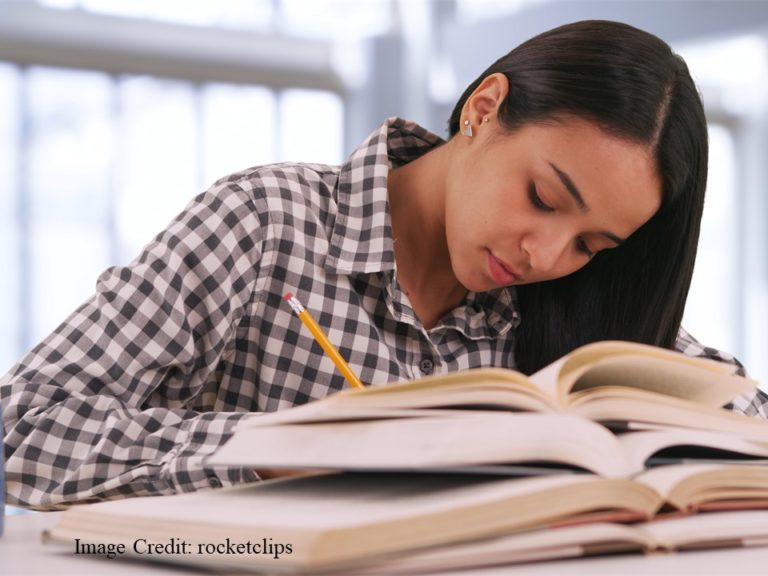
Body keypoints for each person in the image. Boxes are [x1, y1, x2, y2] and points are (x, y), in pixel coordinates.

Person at [2, 20, 766, 511]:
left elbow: (742, 414)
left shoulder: (571, 312)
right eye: (541, 196)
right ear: (483, 109)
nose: (545, 256)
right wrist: (282, 448)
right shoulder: (268, 225)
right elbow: (24, 427)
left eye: (590, 245)